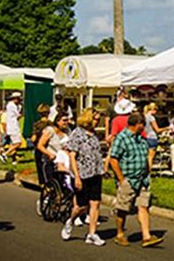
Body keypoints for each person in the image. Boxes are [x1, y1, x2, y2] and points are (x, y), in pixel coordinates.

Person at [110, 112, 164, 248]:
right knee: (123, 208)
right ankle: (120, 234)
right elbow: (113, 159)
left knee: (143, 206)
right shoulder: (121, 138)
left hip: (142, 179)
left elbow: (145, 155)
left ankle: (146, 236)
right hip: (128, 179)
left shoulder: (141, 139)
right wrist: (121, 179)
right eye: (143, 125)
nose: (145, 127)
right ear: (137, 124)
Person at [61, 108, 105, 247]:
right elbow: (72, 156)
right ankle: (71, 220)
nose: (98, 121)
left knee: (95, 203)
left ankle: (92, 233)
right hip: (82, 173)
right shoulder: (77, 134)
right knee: (81, 206)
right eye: (96, 118)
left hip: (95, 173)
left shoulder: (95, 134)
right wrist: (77, 177)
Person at [37, 112, 70, 182]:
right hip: (52, 160)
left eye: (67, 120)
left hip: (65, 159)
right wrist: (49, 154)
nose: (66, 122)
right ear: (57, 121)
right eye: (64, 120)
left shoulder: (67, 131)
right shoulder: (50, 131)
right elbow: (40, 145)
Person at [144, 103, 169, 170]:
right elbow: (157, 130)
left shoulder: (144, 116)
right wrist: (167, 128)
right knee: (150, 157)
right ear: (153, 109)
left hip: (145, 137)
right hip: (152, 137)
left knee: (145, 157)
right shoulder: (151, 118)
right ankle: (148, 173)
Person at [31, 104, 51, 186]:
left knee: (40, 168)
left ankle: (43, 186)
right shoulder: (51, 124)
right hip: (49, 148)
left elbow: (33, 138)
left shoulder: (37, 125)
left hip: (39, 149)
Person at [0, 92, 23, 165]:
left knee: (12, 143)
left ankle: (10, 156)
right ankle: (5, 154)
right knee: (17, 143)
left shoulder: (10, 105)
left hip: (12, 126)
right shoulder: (12, 106)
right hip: (13, 127)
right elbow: (18, 115)